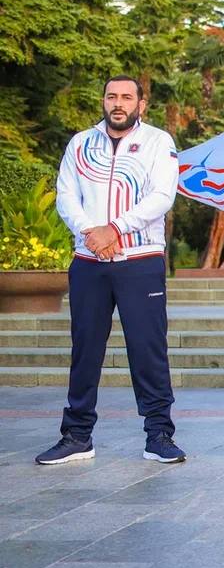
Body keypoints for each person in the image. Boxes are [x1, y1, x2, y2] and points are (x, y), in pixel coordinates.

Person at [37, 75, 185, 465]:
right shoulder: (81, 143)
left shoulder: (158, 142)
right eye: (111, 96)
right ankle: (76, 436)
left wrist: (115, 229)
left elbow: (162, 196)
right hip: (89, 262)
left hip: (140, 262)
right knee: (85, 349)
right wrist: (90, 232)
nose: (118, 103)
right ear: (103, 100)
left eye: (126, 97)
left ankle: (159, 435)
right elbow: (66, 194)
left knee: (148, 350)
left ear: (141, 103)